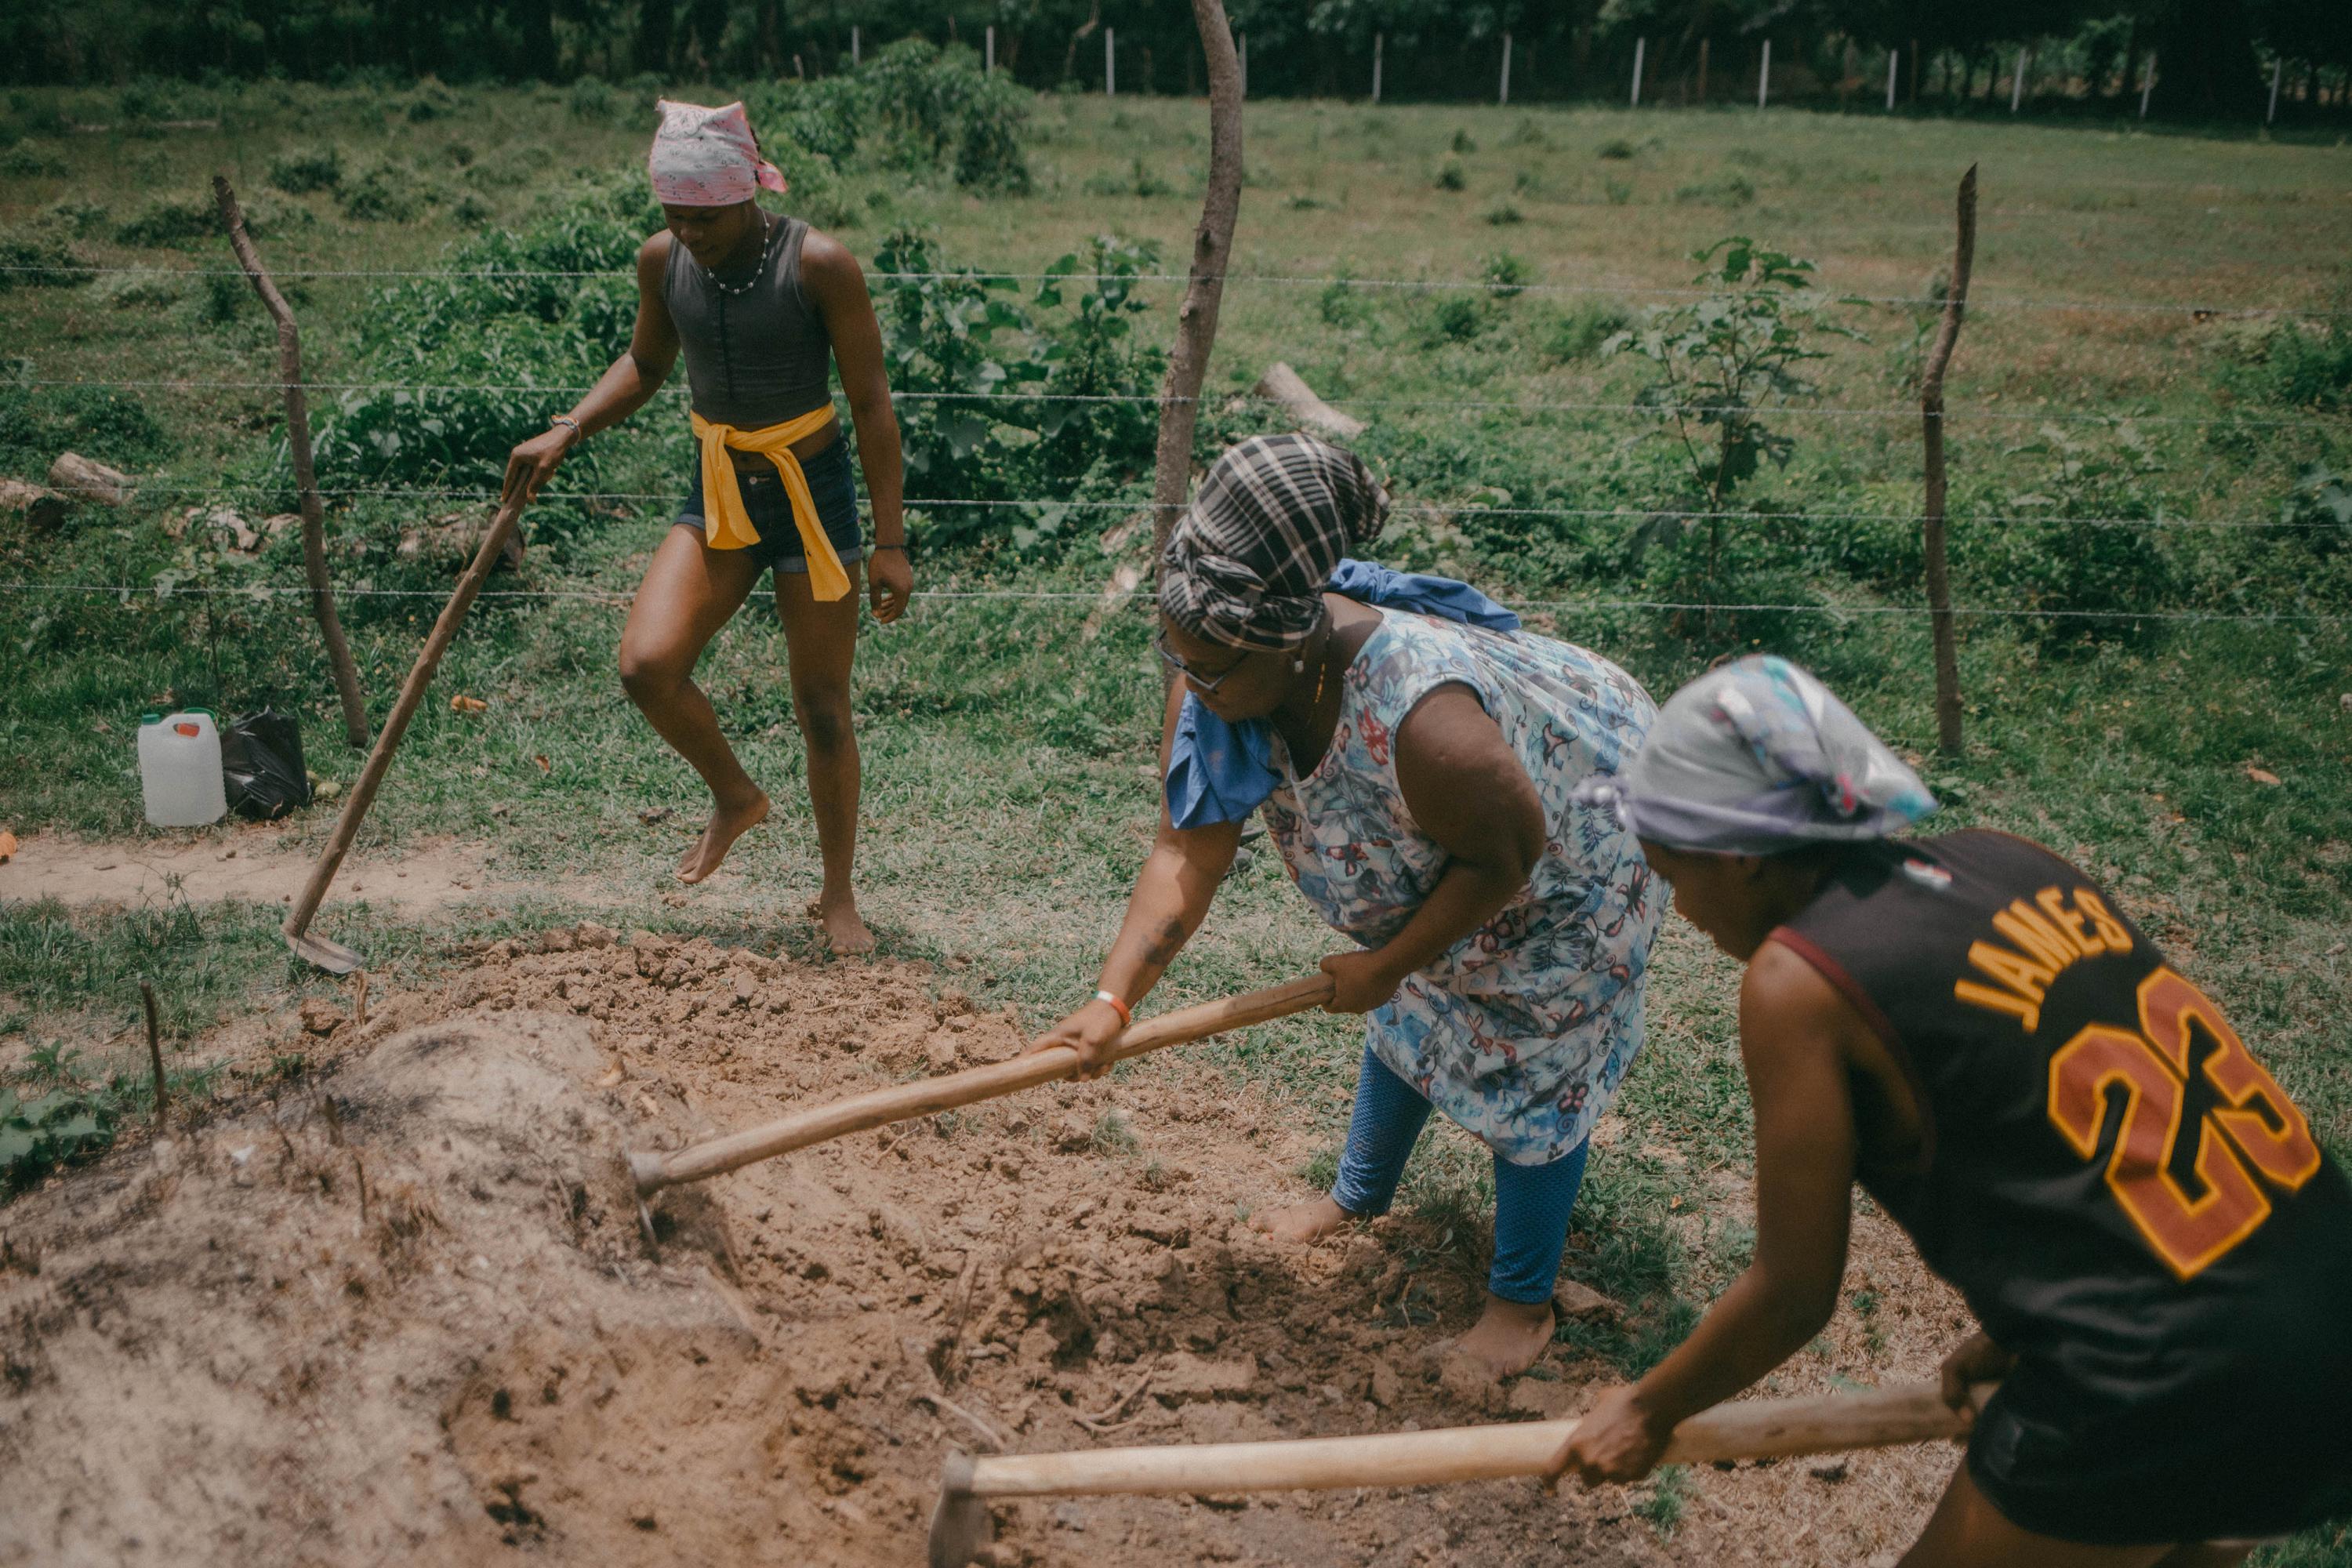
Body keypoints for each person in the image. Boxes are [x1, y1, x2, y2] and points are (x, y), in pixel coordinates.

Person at [1552, 655, 2352, 1566]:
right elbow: (2100, 1118)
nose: (1680, 906)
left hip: (2159, 1371)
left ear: (1738, 850)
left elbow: (1793, 1290)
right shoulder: (2012, 862)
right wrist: (2031, 1319)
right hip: (2322, 1308)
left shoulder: (1799, 981)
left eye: (1673, 872)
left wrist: (1647, 1405)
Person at [1030, 433, 1661, 1380]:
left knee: (1530, 1044)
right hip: (1480, 825)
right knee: (1412, 998)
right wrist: (1113, 999)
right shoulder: (1221, 666)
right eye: (1181, 658)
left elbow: (1509, 852)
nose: (1192, 685)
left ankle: (1521, 1305)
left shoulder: (1424, 719)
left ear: (1291, 644)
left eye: (1212, 669)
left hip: (1587, 825)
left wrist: (1391, 960)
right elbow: (1183, 848)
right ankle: (1356, 1198)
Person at [501, 99, 912, 953]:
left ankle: (838, 895)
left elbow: (871, 403)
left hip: (813, 494)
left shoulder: (819, 264)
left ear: (750, 195)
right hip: (720, 486)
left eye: (705, 217)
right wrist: (567, 427)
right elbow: (647, 363)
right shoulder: (663, 262)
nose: (688, 234)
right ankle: (736, 795)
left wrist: (891, 540)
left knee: (823, 707)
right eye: (674, 216)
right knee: (647, 664)